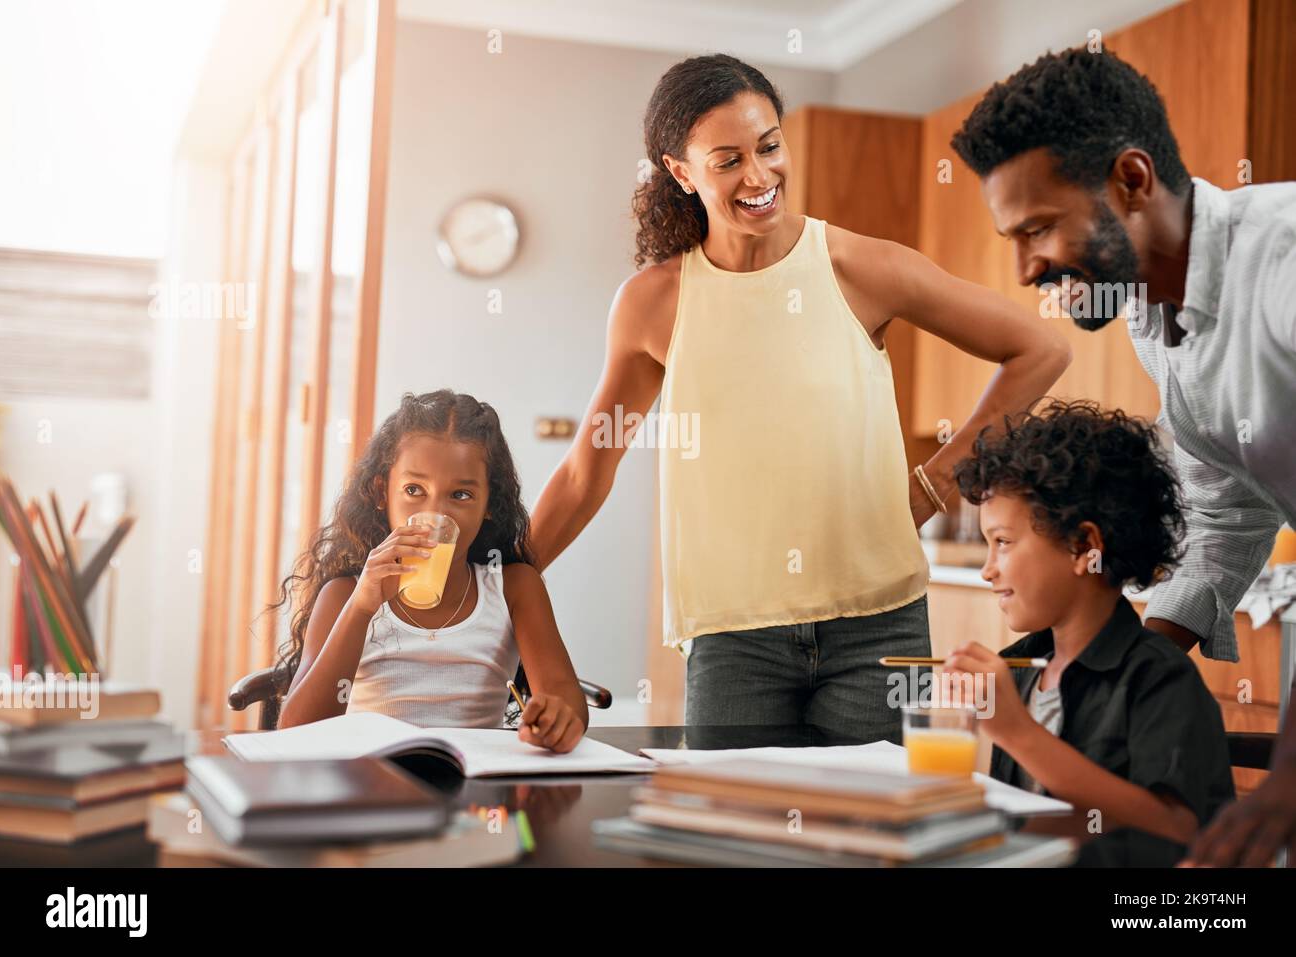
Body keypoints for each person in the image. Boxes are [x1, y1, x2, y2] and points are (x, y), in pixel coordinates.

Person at [529, 54, 1070, 740]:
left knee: (861, 842)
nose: (758, 176)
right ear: (681, 172)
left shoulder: (860, 267)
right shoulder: (654, 305)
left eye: (770, 146)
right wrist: (499, 584)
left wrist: (934, 482)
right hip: (734, 639)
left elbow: (1042, 348)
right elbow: (586, 472)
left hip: (876, 626)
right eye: (727, 160)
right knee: (736, 843)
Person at [951, 44, 1296, 864]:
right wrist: (1121, 663)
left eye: (1037, 228)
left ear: (1132, 182)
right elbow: (1225, 508)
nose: (1026, 266)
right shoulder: (1150, 311)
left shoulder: (1281, 268)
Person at [945, 400, 1234, 844]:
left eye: (1002, 542)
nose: (987, 569)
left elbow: (1178, 828)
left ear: (1083, 547)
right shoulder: (1017, 670)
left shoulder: (1159, 680)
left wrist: (1017, 733)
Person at [268, 390, 588, 752]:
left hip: (475, 794)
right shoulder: (345, 594)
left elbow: (565, 699)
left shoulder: (514, 587)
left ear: (490, 505)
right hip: (372, 788)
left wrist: (556, 717)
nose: (437, 514)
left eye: (461, 495)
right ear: (381, 493)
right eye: (414, 489)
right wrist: (361, 608)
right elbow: (297, 730)